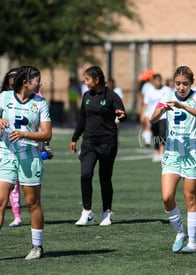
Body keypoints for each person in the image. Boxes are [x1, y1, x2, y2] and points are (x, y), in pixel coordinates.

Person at [0, 65, 51, 260]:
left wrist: (25, 134)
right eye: (37, 80)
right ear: (25, 83)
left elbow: (46, 133)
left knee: (32, 203)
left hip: (30, 158)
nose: (40, 84)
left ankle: (37, 247)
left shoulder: (40, 103)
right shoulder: (4, 98)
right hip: (6, 156)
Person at [151, 66, 196, 253]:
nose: (181, 87)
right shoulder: (167, 95)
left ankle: (193, 243)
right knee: (167, 197)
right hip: (172, 154)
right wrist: (162, 110)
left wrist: (184, 106)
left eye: (185, 83)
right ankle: (180, 232)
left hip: (192, 153)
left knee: (190, 198)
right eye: (178, 83)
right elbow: (153, 118)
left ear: (191, 83)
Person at [70, 66, 126, 226]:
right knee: (85, 175)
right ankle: (86, 212)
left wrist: (121, 115)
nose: (84, 82)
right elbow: (82, 119)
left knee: (105, 178)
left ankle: (107, 212)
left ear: (97, 80)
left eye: (87, 79)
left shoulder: (112, 96)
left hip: (108, 142)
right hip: (89, 143)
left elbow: (122, 113)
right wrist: (75, 138)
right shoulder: (87, 96)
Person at [0, 68, 24, 227]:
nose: (13, 83)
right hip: (9, 147)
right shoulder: (4, 97)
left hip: (28, 148)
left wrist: (43, 145)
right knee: (13, 183)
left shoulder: (35, 98)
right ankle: (17, 216)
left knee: (27, 186)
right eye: (11, 80)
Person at [142, 73, 171, 162]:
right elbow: (146, 104)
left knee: (162, 134)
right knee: (155, 135)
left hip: (163, 116)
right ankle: (156, 152)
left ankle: (162, 153)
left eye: (159, 80)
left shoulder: (167, 90)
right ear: (153, 81)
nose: (158, 82)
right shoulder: (149, 91)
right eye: (156, 80)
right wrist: (142, 115)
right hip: (153, 116)